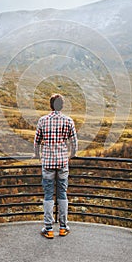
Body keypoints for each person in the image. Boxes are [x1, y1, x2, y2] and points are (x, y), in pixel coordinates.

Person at [33, 94, 78, 239]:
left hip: (47, 163)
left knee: (48, 195)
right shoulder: (68, 121)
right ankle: (63, 227)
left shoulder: (43, 121)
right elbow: (74, 143)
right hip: (63, 163)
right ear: (62, 106)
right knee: (62, 194)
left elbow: (37, 142)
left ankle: (49, 228)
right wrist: (70, 155)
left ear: (51, 105)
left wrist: (38, 155)